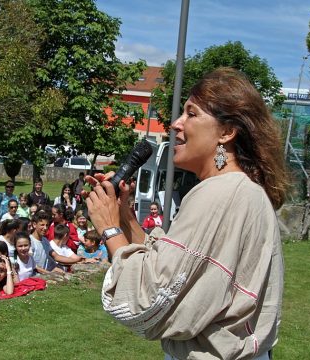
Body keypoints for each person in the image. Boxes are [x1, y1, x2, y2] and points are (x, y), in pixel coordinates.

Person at [85, 68, 288, 360]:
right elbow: (175, 267)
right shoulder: (240, 189)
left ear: (226, 132)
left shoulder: (222, 192)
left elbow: (151, 296)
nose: (175, 124)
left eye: (191, 114)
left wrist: (108, 228)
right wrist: (123, 214)